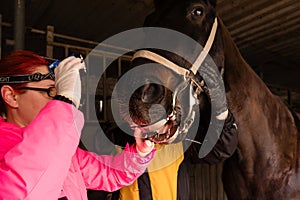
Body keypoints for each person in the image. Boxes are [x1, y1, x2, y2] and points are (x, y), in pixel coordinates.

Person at [0, 50, 155, 199]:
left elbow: (111, 174)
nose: (55, 100)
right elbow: (23, 190)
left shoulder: (67, 152)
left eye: (58, 91)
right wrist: (65, 101)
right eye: (49, 91)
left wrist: (139, 154)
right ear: (11, 96)